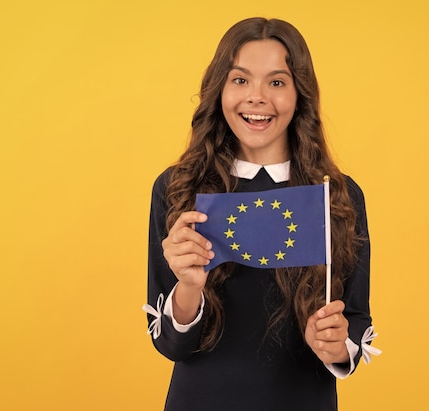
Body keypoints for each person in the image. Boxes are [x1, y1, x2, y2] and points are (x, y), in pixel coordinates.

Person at [144, 17, 378, 411]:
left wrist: (338, 343)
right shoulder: (177, 189)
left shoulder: (336, 195)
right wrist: (188, 286)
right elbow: (170, 344)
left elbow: (355, 319)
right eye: (240, 80)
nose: (256, 97)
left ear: (299, 94)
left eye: (276, 82)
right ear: (219, 90)